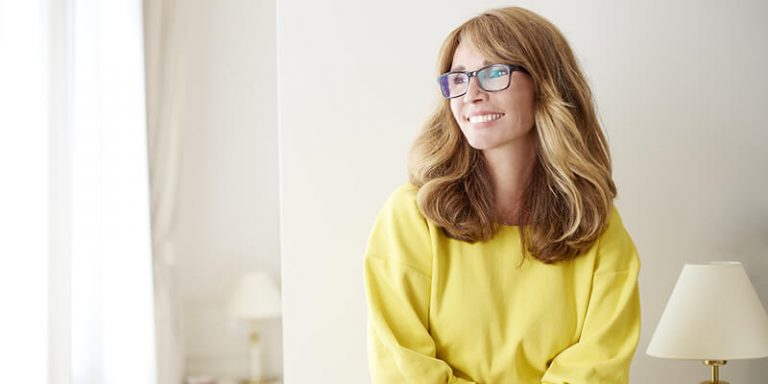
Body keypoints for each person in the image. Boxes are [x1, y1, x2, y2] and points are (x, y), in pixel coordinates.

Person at [363, 6, 641, 384]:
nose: (471, 94)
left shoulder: (596, 226)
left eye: (495, 73)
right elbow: (403, 371)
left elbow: (598, 371)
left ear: (546, 84)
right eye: (458, 79)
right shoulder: (411, 217)